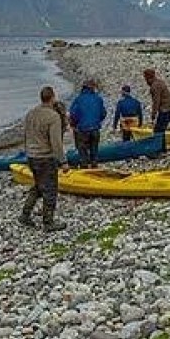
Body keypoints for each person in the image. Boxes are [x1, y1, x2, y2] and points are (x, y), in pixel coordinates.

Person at [20, 86, 69, 231]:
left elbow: (26, 135)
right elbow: (56, 142)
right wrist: (63, 161)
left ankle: (25, 214)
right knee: (50, 190)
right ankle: (48, 222)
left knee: (38, 186)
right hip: (45, 157)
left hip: (31, 156)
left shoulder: (31, 114)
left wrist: (27, 152)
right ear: (53, 97)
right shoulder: (52, 116)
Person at [68, 78, 107, 167]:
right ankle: (94, 167)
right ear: (93, 88)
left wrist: (74, 125)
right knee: (94, 152)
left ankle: (84, 168)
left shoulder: (78, 99)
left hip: (83, 130)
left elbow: (73, 115)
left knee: (82, 153)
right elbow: (103, 113)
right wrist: (96, 121)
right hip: (95, 129)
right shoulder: (98, 99)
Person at [143, 68, 170, 133]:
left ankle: (159, 142)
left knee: (158, 131)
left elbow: (156, 101)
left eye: (145, 78)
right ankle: (162, 141)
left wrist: (153, 114)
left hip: (165, 110)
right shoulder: (160, 82)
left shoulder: (154, 86)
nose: (145, 80)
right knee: (161, 128)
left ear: (148, 77)